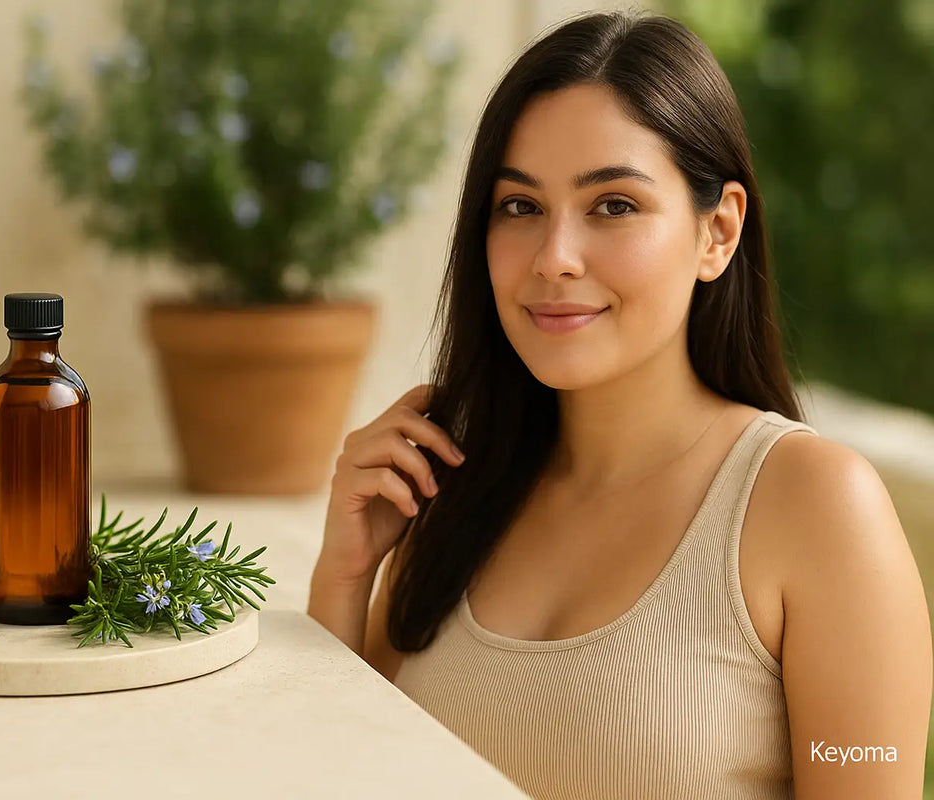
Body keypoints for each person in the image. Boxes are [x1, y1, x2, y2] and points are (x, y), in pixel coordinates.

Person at [306, 10, 932, 800]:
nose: (554, 258)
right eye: (521, 207)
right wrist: (345, 574)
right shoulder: (448, 499)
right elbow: (334, 778)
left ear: (719, 232)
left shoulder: (814, 506)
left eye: (614, 206)